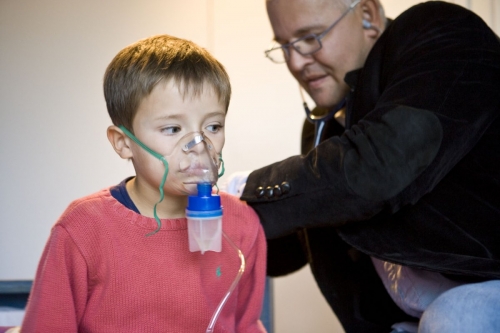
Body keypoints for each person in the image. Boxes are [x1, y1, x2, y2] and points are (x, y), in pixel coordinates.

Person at [231, 0, 500, 332]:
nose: (295, 61)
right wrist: (217, 224)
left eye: (310, 38)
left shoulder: (444, 33)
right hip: (405, 320)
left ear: (368, 16)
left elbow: (381, 166)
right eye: (283, 46)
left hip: (479, 296)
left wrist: (240, 196)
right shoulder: (325, 130)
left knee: (456, 316)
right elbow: (306, 225)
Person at [20, 34, 267, 333]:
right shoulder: (83, 229)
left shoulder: (241, 224)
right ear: (124, 143)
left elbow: (246, 324)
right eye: (173, 128)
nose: (198, 145)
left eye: (213, 126)